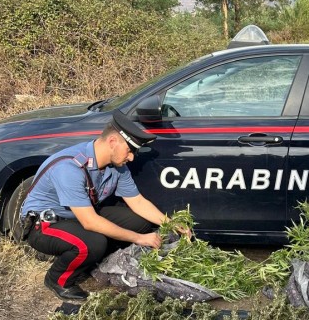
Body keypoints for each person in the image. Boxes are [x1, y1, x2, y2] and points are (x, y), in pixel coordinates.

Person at [21, 110, 189, 300]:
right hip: (46, 225)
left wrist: (170, 222)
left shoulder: (117, 167)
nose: (132, 157)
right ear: (112, 142)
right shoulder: (70, 168)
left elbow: (138, 202)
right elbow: (90, 222)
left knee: (139, 222)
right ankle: (58, 279)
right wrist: (140, 238)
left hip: (79, 215)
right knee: (92, 244)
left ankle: (98, 262)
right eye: (130, 150)